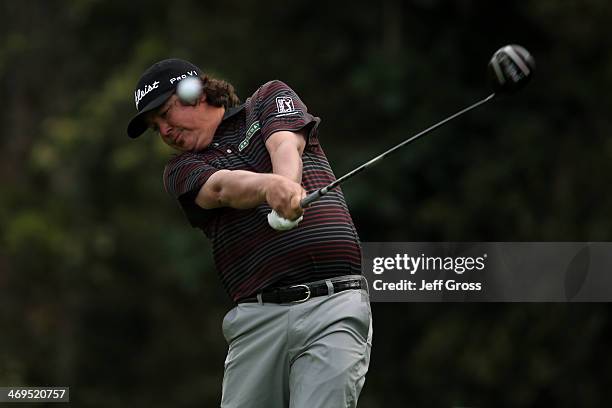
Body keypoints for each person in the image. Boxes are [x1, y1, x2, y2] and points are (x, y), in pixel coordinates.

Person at [127, 58, 372, 408]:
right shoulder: (180, 169)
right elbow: (221, 189)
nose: (165, 131)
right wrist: (271, 189)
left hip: (334, 307)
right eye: (156, 127)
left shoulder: (267, 99)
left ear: (195, 93)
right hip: (259, 322)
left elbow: (285, 145)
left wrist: (286, 186)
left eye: (165, 114)